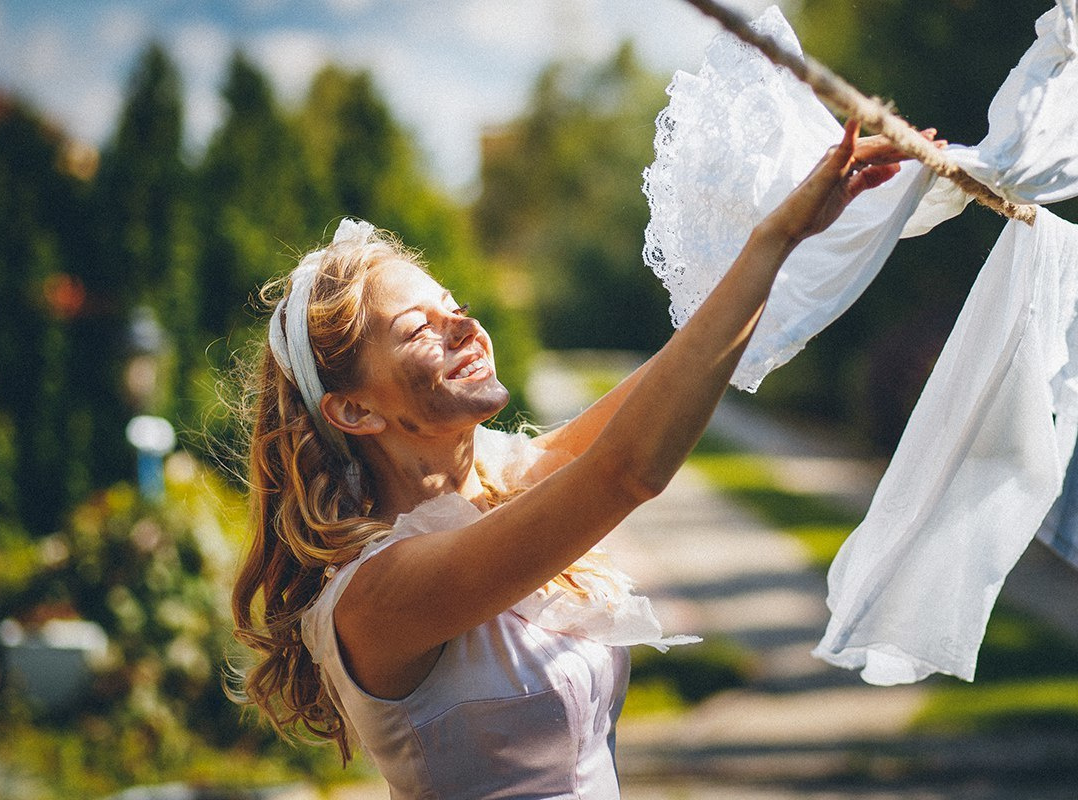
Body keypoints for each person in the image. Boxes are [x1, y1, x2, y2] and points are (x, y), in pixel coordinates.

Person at [231, 118, 921, 797]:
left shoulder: (500, 484)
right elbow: (628, 469)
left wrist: (783, 241)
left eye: (456, 305)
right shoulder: (376, 595)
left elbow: (665, 385)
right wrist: (774, 239)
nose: (464, 326)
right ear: (355, 410)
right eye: (419, 329)